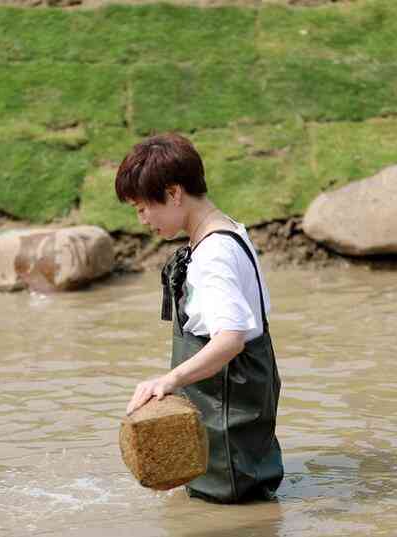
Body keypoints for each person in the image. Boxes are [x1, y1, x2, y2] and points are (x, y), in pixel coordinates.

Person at [116, 133, 283, 504]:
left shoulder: (214, 255)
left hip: (229, 412)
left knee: (231, 509)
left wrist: (170, 379)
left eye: (143, 208)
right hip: (231, 410)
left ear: (174, 193)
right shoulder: (227, 230)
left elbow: (231, 339)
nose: (142, 219)